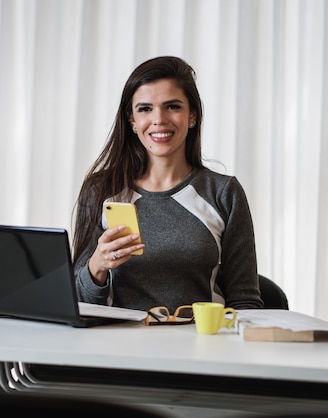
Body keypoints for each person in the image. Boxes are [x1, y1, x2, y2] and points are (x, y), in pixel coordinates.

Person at [72, 56, 263, 313]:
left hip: (200, 346)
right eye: (145, 109)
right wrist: (97, 265)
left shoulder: (223, 193)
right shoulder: (101, 190)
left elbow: (245, 302)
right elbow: (78, 304)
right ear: (131, 121)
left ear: (192, 116)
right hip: (117, 345)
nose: (159, 119)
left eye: (172, 106)